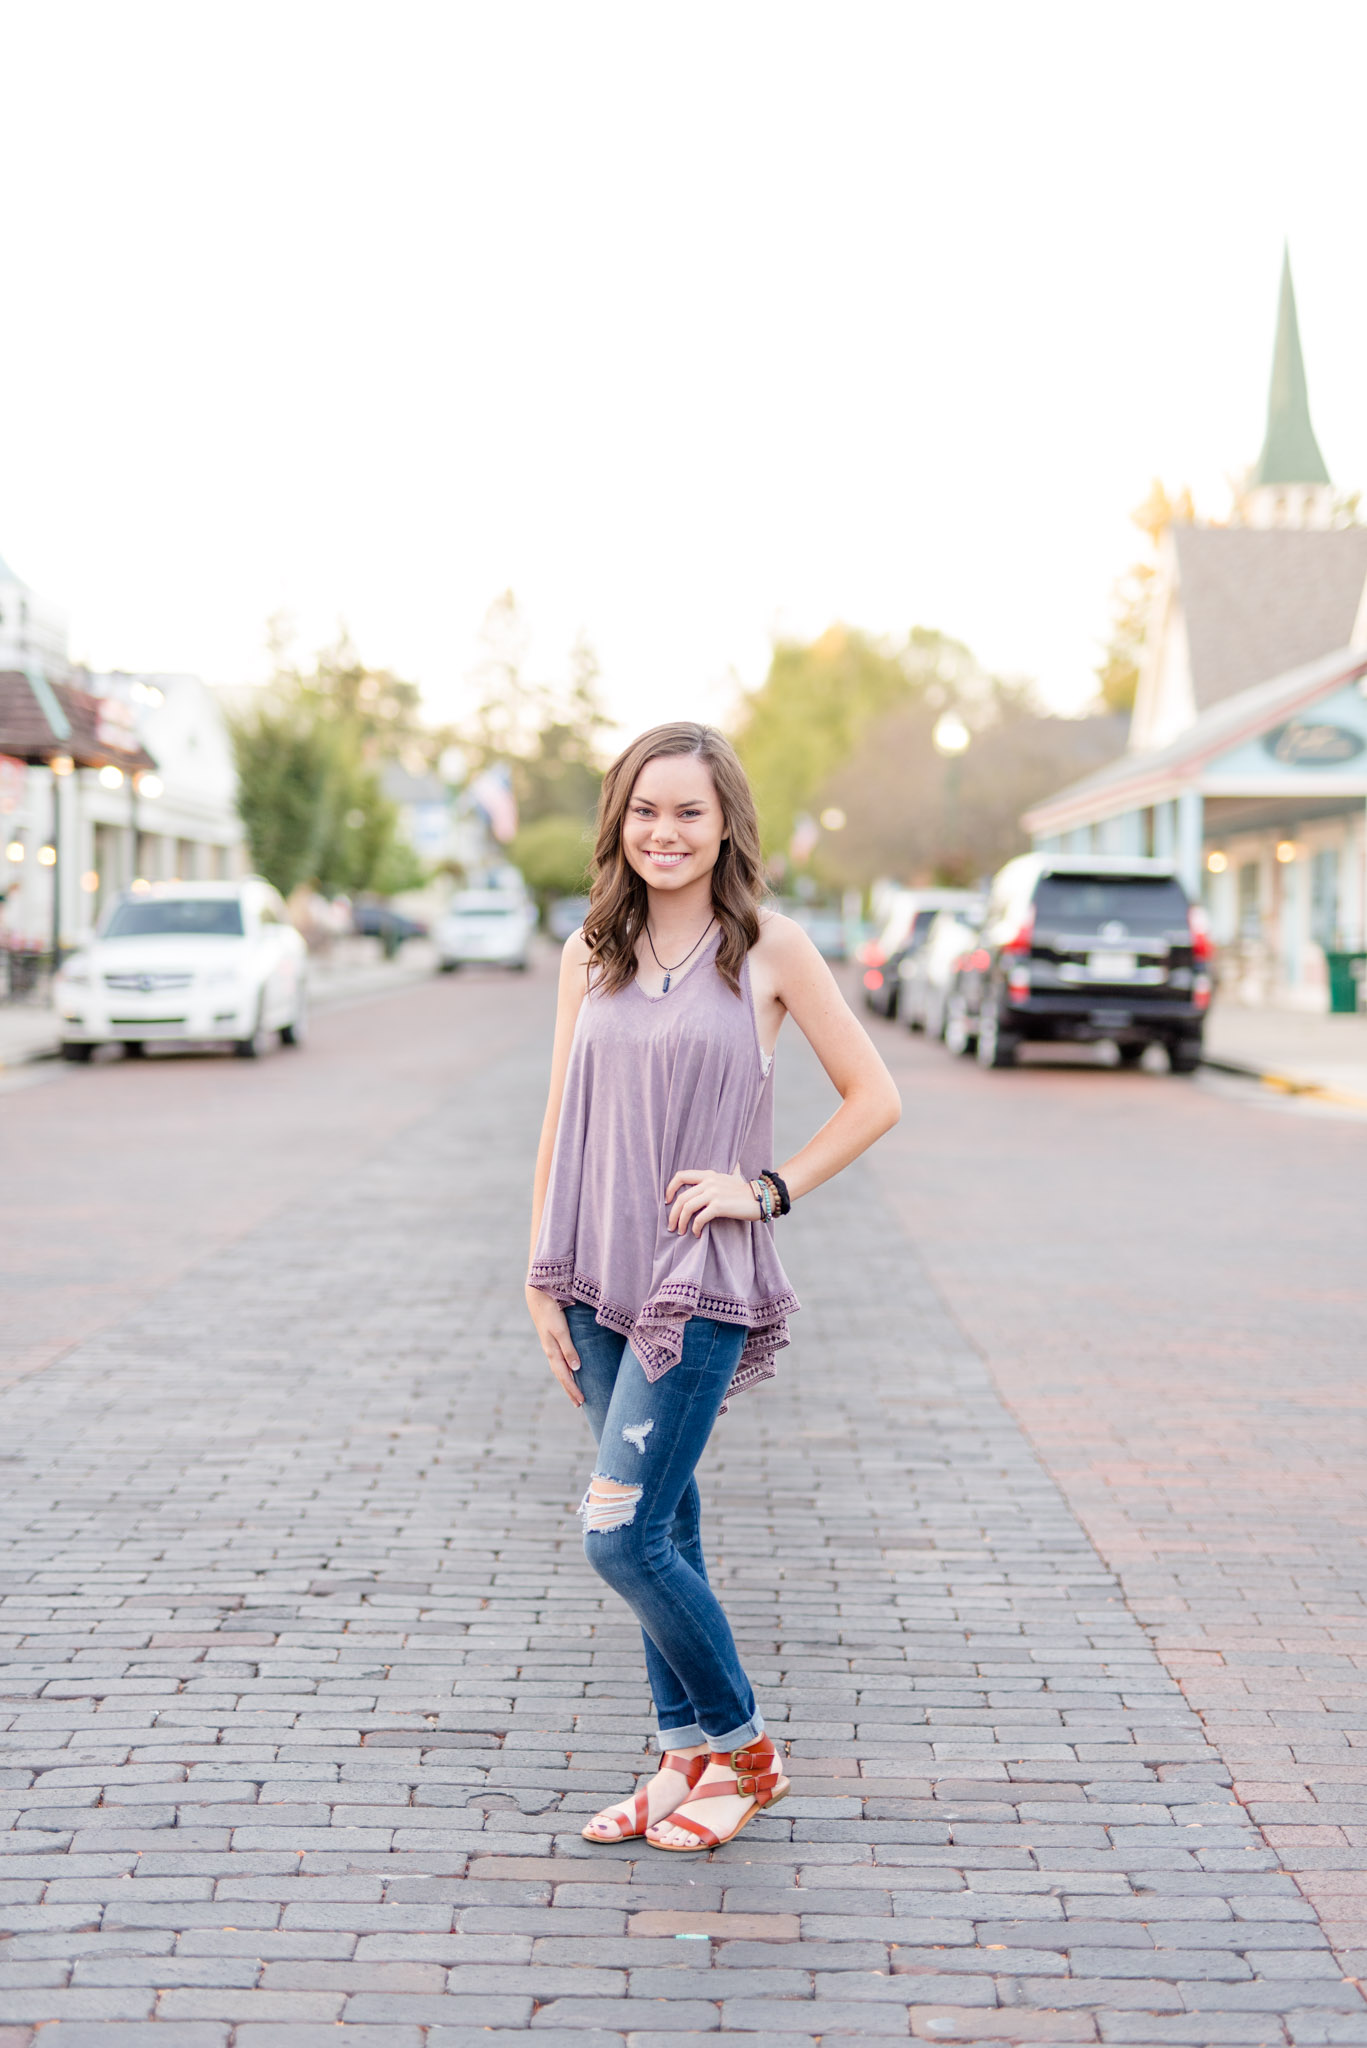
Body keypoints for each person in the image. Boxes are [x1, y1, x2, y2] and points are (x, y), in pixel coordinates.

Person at [526, 721, 900, 1852]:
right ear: (618, 821)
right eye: (645, 809)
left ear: (726, 820)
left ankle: (743, 1751)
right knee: (666, 1522)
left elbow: (872, 1095)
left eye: (688, 810)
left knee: (621, 1535)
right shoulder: (588, 948)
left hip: (695, 1281)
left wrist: (765, 1188)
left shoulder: (771, 949)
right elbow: (557, 1115)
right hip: (593, 1273)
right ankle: (680, 1760)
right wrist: (538, 1272)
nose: (664, 831)